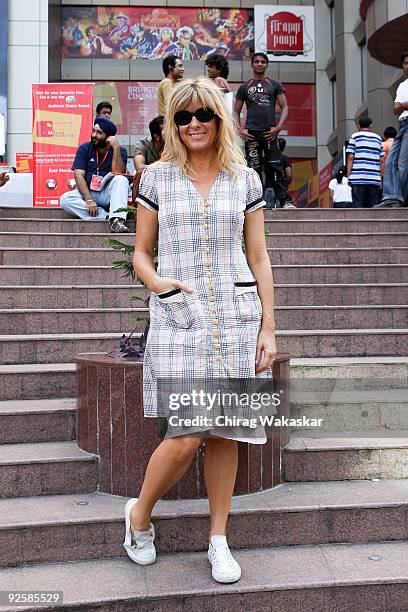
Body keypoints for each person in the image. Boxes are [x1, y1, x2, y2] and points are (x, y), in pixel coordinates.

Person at [128, 77, 276, 583]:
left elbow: (258, 256)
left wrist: (268, 328)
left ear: (219, 119)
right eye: (183, 116)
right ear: (173, 124)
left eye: (203, 115)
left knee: (226, 432)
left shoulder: (246, 181)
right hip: (180, 317)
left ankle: (218, 539)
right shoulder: (158, 179)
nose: (194, 124)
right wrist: (160, 286)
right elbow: (141, 254)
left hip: (236, 316)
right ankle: (139, 516)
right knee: (187, 433)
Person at [60, 116, 129, 233]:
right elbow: (78, 175)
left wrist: (116, 148)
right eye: (93, 131)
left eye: (99, 133)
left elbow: (119, 173)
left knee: (122, 180)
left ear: (108, 137)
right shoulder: (84, 148)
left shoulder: (120, 151)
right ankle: (106, 216)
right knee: (65, 199)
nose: (94, 135)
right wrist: (89, 200)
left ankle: (117, 219)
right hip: (88, 193)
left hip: (107, 194)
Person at [234, 52, 288, 188]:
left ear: (267, 65)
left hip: (270, 132)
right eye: (257, 61)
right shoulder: (244, 87)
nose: (260, 64)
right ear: (252, 65)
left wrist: (279, 127)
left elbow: (285, 107)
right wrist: (240, 130)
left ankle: (285, 201)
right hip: (251, 134)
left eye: (263, 62)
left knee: (276, 166)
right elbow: (236, 111)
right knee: (253, 169)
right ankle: (256, 202)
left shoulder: (274, 85)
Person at [378, 52, 408, 207]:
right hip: (402, 125)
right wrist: (403, 105)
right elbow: (395, 109)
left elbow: (399, 106)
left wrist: (402, 105)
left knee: (403, 164)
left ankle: (400, 199)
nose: (407, 66)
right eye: (405, 63)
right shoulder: (403, 85)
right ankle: (392, 197)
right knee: (390, 161)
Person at [346, 117, 384, 208]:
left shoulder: (355, 137)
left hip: (357, 178)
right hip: (374, 178)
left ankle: (357, 222)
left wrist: (348, 175)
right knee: (373, 205)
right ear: (371, 125)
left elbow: (350, 157)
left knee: (358, 205)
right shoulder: (378, 138)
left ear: (359, 126)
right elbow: (382, 160)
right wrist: (380, 177)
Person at [265, 137, 295, 209]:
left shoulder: (266, 158)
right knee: (281, 208)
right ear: (284, 147)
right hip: (281, 186)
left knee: (269, 209)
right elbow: (289, 173)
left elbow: (263, 173)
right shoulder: (285, 158)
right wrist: (287, 182)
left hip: (269, 187)